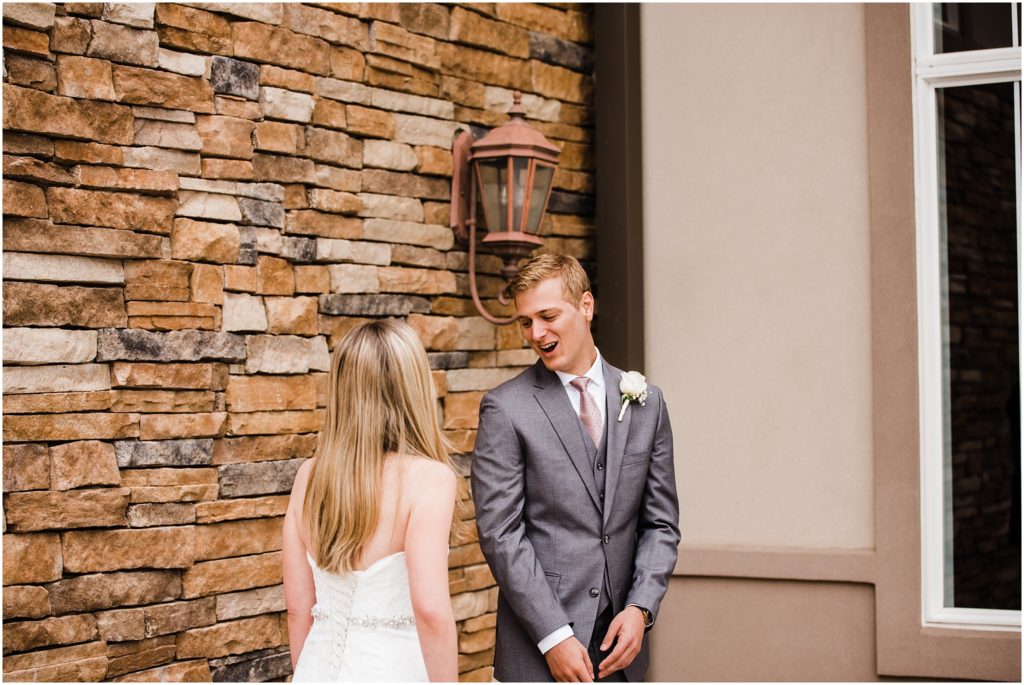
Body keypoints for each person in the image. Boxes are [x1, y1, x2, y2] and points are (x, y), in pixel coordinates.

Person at [472, 254, 680, 682]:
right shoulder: (505, 408)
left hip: (621, 654)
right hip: (538, 653)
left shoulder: (648, 403)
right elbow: (501, 534)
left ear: (586, 306)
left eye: (548, 316)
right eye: (526, 322)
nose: (536, 333)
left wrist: (640, 608)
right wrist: (553, 636)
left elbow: (660, 524)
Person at [283, 319, 459, 682]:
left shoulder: (308, 476)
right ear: (413, 387)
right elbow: (430, 611)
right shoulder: (430, 479)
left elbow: (298, 609)